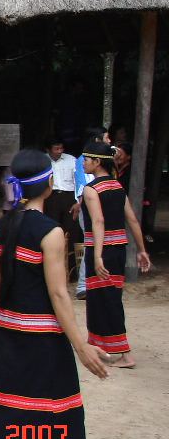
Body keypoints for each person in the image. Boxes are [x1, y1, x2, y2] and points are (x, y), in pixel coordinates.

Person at [0, 149, 113, 439]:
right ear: (49, 184)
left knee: (5, 403)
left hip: (9, 330)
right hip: (43, 335)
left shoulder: (3, 226)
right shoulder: (51, 232)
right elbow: (58, 294)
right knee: (59, 405)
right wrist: (81, 345)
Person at [80, 142, 151, 369]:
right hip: (118, 250)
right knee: (105, 298)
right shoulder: (117, 186)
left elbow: (98, 221)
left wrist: (97, 256)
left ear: (97, 161)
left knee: (105, 301)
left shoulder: (91, 190)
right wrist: (141, 250)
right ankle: (99, 346)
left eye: (86, 159)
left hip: (101, 251)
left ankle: (125, 354)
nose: (83, 163)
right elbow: (132, 221)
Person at [72, 127, 110, 299]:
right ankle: (82, 286)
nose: (109, 141)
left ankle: (92, 283)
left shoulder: (95, 161)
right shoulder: (84, 161)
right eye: (107, 137)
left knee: (94, 243)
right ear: (97, 140)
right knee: (92, 243)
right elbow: (82, 189)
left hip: (94, 207)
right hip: (89, 208)